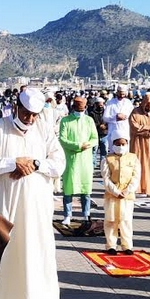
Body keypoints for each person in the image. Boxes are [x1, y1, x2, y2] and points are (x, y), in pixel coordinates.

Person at [0, 88, 67, 299]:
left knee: (41, 248)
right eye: (26, 113)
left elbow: (59, 164)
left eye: (34, 115)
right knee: (5, 248)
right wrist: (13, 163)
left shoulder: (44, 130)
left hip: (37, 205)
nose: (29, 119)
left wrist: (35, 164)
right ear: (17, 107)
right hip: (7, 203)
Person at [57, 96, 98, 225]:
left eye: (83, 108)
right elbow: (62, 139)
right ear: (73, 107)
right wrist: (78, 146)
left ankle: (86, 215)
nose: (81, 111)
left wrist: (88, 145)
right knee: (69, 188)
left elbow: (94, 138)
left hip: (85, 160)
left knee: (86, 190)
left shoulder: (89, 120)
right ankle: (67, 215)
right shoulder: (65, 121)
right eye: (78, 108)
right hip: (71, 160)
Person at [101, 129, 141, 254]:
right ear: (113, 144)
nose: (120, 146)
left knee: (126, 221)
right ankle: (111, 245)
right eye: (118, 144)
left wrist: (127, 191)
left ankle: (127, 246)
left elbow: (136, 177)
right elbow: (106, 178)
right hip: (112, 195)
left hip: (127, 196)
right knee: (110, 220)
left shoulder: (133, 158)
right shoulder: (107, 159)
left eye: (123, 144)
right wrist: (115, 191)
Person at [129, 92, 150, 196]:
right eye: (148, 105)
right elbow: (134, 127)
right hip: (138, 143)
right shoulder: (136, 112)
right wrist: (149, 129)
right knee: (138, 164)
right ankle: (137, 187)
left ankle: (149, 188)